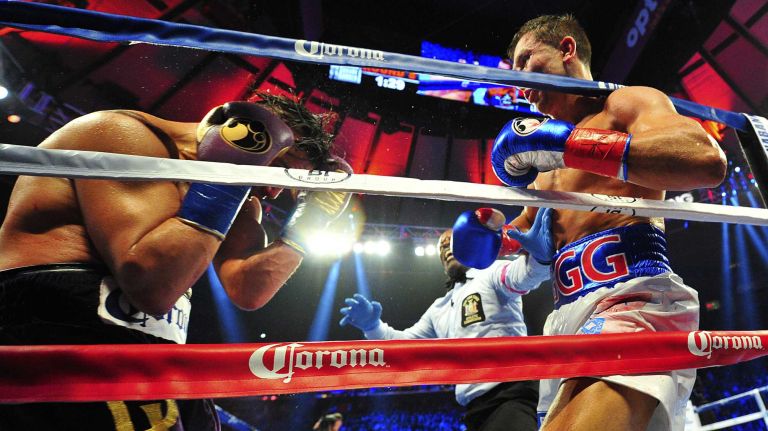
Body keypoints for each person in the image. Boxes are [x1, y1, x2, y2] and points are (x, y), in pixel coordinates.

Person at [0, 92, 352, 430]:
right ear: (244, 130)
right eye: (280, 166)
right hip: (53, 327)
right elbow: (151, 284)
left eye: (287, 181)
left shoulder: (241, 201)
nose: (274, 190)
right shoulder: (122, 134)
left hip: (155, 351)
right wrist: (230, 177)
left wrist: (310, 223)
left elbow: (249, 290)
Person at [451, 14, 727, 431]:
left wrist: (572, 145)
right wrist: (487, 237)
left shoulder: (625, 104)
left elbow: (705, 160)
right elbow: (524, 233)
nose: (520, 81)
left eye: (528, 60)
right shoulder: (542, 162)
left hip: (633, 298)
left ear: (567, 50)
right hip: (567, 316)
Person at [339, 224, 554, 431]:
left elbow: (523, 275)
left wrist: (540, 258)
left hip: (511, 394)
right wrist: (372, 325)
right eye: (442, 246)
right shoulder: (438, 309)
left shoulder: (490, 273)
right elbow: (403, 346)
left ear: (469, 245)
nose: (447, 248)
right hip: (473, 407)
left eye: (453, 242)